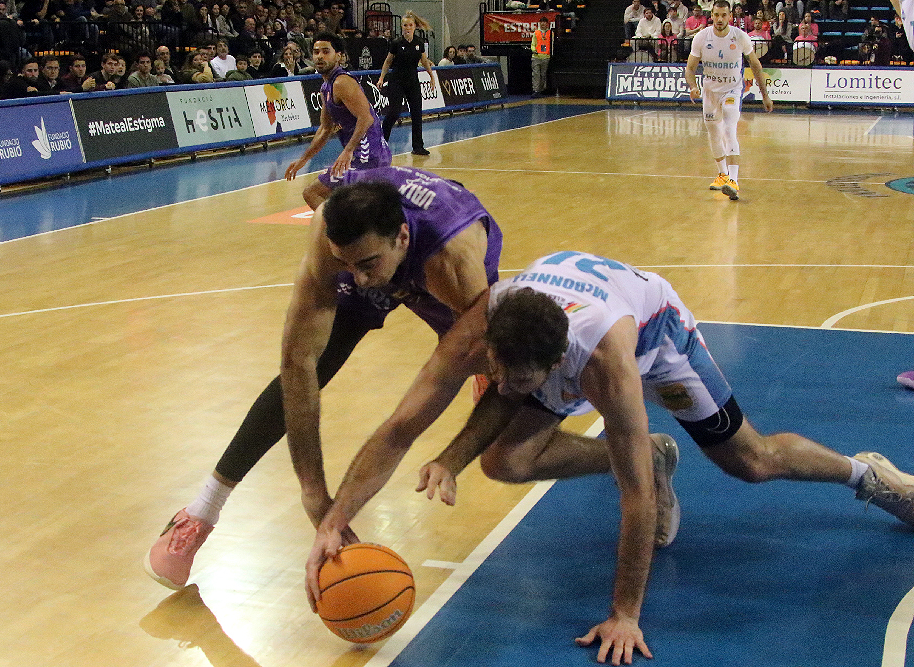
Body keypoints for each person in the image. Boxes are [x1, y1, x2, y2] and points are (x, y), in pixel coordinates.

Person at [305, 249, 914, 665]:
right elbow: (402, 425)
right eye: (500, 372)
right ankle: (655, 454)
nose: (510, 387)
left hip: (657, 335)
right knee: (505, 460)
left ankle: (869, 474)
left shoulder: (605, 367)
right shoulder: (492, 325)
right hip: (565, 314)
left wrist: (625, 613)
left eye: (528, 383)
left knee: (750, 461)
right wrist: (338, 515)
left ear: (555, 370)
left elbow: (634, 498)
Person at [144, 167, 504, 591]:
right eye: (344, 264)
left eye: (364, 265)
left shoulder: (451, 258)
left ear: (402, 238)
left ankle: (488, 371)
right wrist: (313, 491)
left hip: (437, 265)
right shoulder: (335, 240)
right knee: (315, 362)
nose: (358, 279)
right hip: (384, 247)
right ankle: (201, 512)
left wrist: (455, 444)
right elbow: (297, 364)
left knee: (487, 360)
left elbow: (419, 403)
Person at [283, 33, 392, 209]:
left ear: (339, 56)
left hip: (366, 156)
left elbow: (366, 118)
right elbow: (325, 129)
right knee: (346, 206)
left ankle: (342, 234)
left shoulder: (342, 82)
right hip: (371, 155)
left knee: (312, 193)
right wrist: (303, 160)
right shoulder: (326, 86)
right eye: (316, 52)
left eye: (326, 51)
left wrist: (348, 150)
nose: (319, 56)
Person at [686, 0, 773, 202]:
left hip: (732, 90)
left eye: (724, 15)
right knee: (713, 131)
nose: (719, 19)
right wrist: (693, 87)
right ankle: (722, 174)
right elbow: (690, 69)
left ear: (730, 17)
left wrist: (765, 95)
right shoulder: (701, 37)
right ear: (712, 16)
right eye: (716, 15)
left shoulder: (740, 36)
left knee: (728, 127)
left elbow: (756, 66)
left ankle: (733, 180)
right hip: (709, 92)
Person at [378, 11, 436, 156]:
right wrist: (381, 78)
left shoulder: (419, 43)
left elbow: (424, 61)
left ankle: (418, 146)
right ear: (402, 27)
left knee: (416, 112)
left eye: (410, 25)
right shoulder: (396, 43)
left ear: (414, 27)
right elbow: (388, 61)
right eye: (405, 25)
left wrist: (431, 76)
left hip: (412, 80)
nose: (407, 28)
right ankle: (381, 143)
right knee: (394, 112)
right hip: (397, 80)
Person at [530, 15, 553, 96]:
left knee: (543, 75)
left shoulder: (550, 33)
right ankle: (536, 90)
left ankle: (541, 89)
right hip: (536, 57)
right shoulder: (536, 33)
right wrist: (534, 50)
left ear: (547, 24)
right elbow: (533, 44)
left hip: (546, 57)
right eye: (541, 22)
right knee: (536, 74)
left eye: (544, 22)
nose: (543, 24)